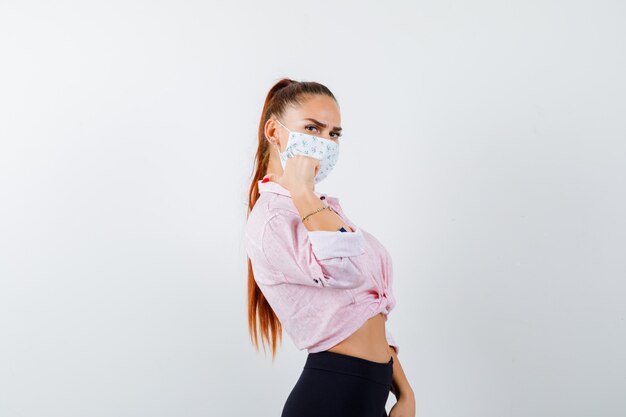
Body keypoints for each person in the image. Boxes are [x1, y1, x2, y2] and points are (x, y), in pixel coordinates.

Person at [245, 78, 415, 417]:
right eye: (312, 128)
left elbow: (367, 307)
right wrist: (302, 191)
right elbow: (344, 271)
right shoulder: (273, 219)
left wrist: (405, 393)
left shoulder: (319, 211)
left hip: (370, 391)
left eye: (333, 134)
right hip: (332, 396)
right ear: (274, 132)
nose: (324, 143)